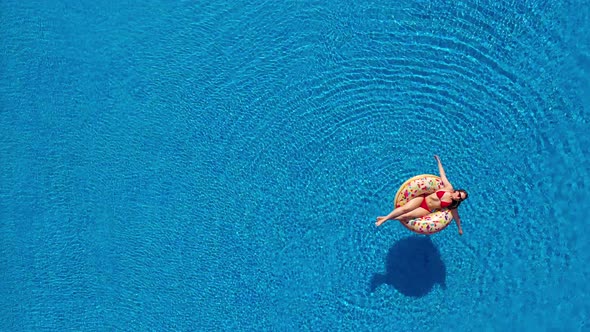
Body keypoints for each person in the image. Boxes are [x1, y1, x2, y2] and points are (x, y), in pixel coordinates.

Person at [375, 155, 468, 235]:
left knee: (406, 216)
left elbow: (456, 217)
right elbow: (443, 175)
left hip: (426, 209)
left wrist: (459, 228)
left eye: (460, 198)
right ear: (457, 191)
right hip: (422, 199)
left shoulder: (453, 205)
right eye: (459, 194)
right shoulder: (448, 188)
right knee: (405, 209)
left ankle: (385, 218)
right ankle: (384, 219)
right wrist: (439, 161)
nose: (458, 197)